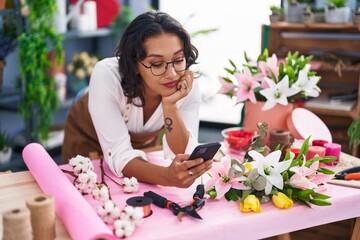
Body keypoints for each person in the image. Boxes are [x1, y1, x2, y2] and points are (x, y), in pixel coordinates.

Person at [62, 10, 213, 188]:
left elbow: (182, 153)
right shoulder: (107, 75)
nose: (172, 74)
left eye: (178, 59)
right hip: (87, 140)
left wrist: (170, 105)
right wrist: (166, 177)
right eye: (157, 64)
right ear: (134, 64)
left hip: (139, 154)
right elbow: (119, 154)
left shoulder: (187, 84)